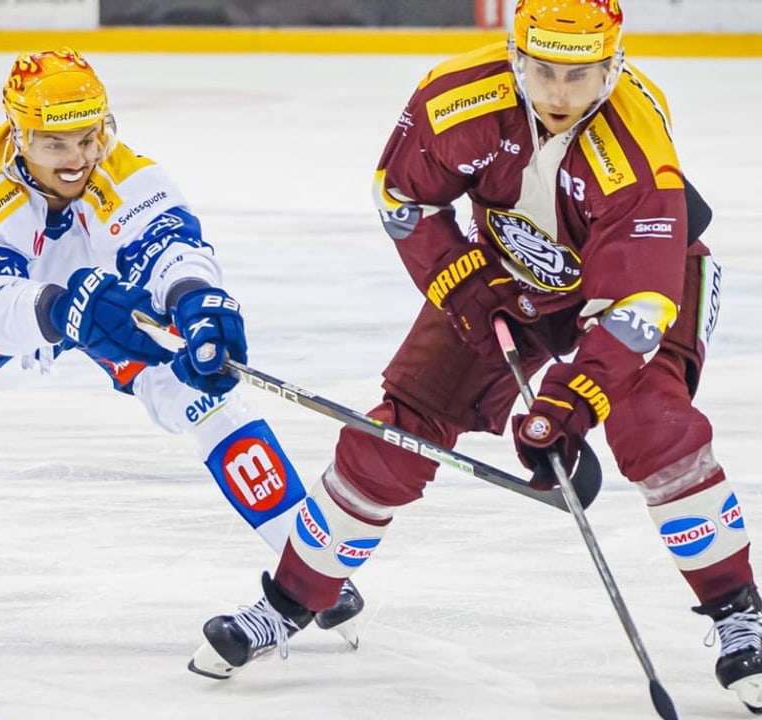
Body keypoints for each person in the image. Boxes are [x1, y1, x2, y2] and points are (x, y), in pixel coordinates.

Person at [187, 1, 762, 712]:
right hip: (508, 278)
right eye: (543, 71)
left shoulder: (638, 154)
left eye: (580, 75)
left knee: (651, 423)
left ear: (612, 68)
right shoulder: (457, 100)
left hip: (645, 286)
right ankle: (289, 602)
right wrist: (459, 280)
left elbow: (638, 312)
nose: (558, 93)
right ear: (515, 56)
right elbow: (400, 197)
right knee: (395, 433)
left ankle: (738, 609)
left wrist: (569, 405)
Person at [0, 47, 362, 641]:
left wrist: (195, 296)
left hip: (107, 297)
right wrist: (62, 309)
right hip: (15, 300)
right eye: (56, 144)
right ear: (18, 135)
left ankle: (313, 570)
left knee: (201, 398)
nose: (80, 159)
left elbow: (170, 246)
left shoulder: (130, 173)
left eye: (90, 138)